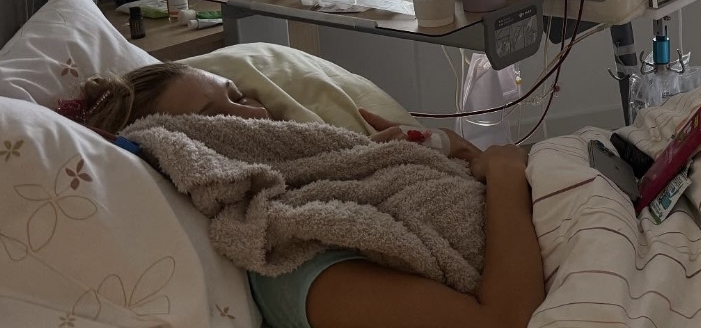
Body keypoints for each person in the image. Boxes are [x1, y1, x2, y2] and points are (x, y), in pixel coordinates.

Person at [70, 62, 545, 328]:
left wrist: (454, 151)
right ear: (188, 154)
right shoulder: (289, 261)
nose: (255, 114)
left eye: (239, 96)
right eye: (219, 118)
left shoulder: (349, 176)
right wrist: (506, 175)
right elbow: (503, 321)